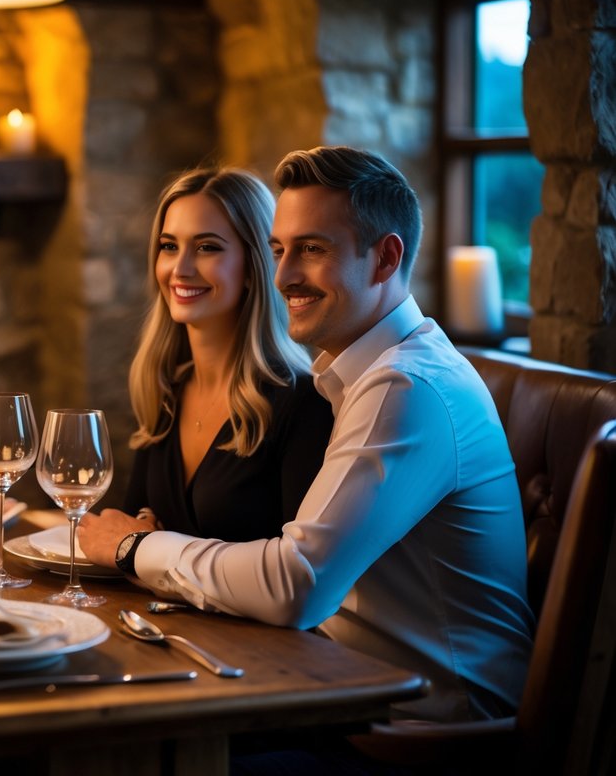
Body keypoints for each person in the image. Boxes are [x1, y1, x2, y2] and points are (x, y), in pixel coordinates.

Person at [80, 146, 534, 726]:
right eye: (278, 251)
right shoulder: (352, 376)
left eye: (313, 250)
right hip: (331, 688)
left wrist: (133, 548)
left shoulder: (406, 385)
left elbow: (296, 583)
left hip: (419, 731)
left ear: (385, 258)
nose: (285, 275)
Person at [119, 167, 333, 543]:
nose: (180, 269)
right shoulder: (167, 388)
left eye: (207, 248)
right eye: (169, 246)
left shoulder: (302, 401)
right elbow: (123, 530)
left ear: (254, 267)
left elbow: (299, 575)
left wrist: (149, 545)